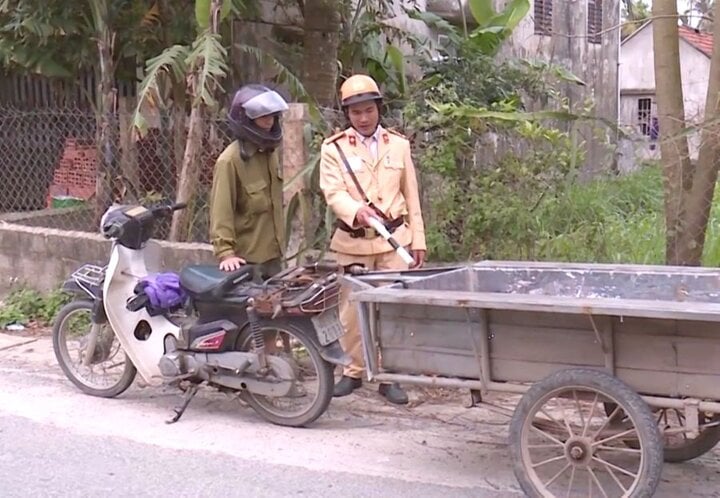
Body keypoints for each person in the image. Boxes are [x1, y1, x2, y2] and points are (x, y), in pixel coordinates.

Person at [318, 74, 427, 405]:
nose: (363, 118)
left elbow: (412, 195)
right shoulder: (333, 148)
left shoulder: (399, 145)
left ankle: (389, 375)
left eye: (368, 110)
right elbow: (332, 192)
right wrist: (356, 210)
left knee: (393, 310)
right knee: (350, 312)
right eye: (355, 113)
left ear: (378, 109)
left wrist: (418, 240)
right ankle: (353, 371)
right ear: (347, 115)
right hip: (353, 243)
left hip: (395, 242)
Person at [209, 84, 289, 280]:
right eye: (263, 117)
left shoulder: (269, 154)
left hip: (274, 258)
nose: (269, 122)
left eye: (272, 116)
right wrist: (226, 253)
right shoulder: (230, 161)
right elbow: (221, 210)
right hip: (247, 262)